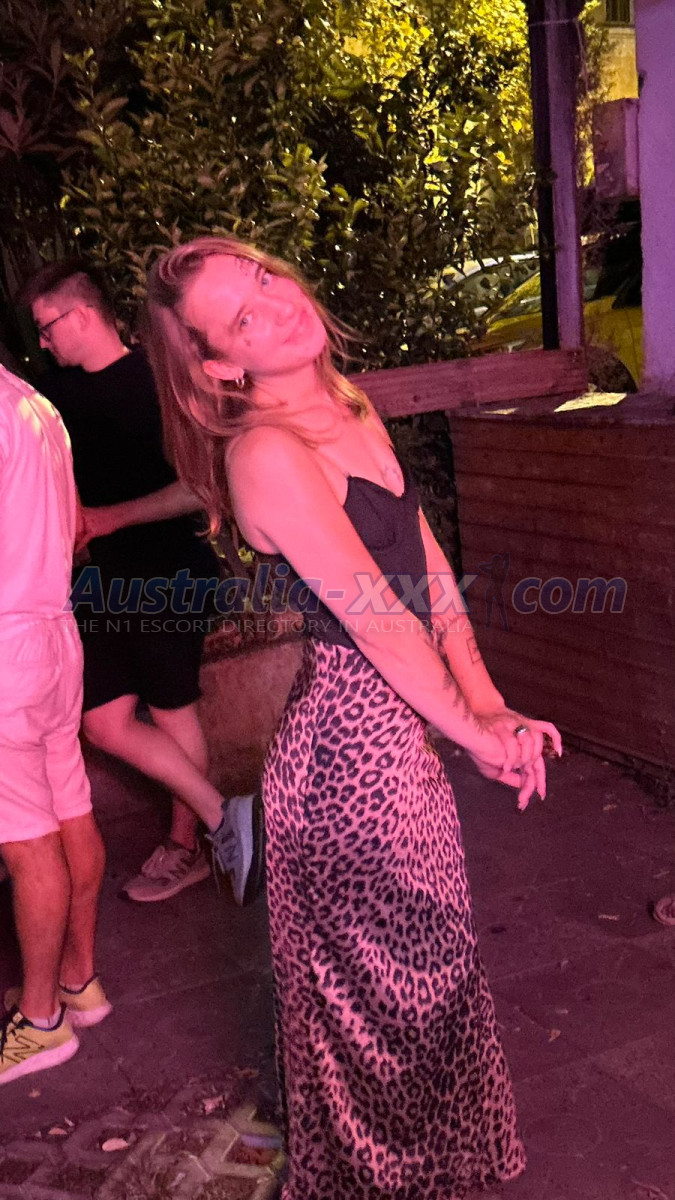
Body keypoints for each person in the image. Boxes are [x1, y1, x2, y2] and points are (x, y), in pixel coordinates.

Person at [143, 236, 563, 1199]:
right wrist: (474, 732)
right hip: (347, 759)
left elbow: (427, 568)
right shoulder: (264, 453)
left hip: (396, 738)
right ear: (221, 365)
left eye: (262, 277)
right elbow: (377, 620)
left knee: (430, 973)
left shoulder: (347, 403)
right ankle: (382, 1179)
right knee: (392, 999)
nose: (275, 303)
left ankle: (432, 1168)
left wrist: (485, 701)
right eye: (241, 317)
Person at [18, 261, 263, 906]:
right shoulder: (52, 396)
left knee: (172, 707)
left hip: (169, 571)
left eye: (47, 327)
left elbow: (201, 487)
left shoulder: (158, 384)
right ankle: (225, 818)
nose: (42, 341)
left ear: (82, 315)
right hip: (100, 581)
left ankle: (187, 847)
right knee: (101, 721)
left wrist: (107, 518)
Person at [0, 363, 110, 1085]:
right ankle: (79, 982)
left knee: (25, 840)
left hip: (5, 646)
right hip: (54, 634)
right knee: (69, 806)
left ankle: (40, 1022)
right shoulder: (33, 403)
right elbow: (73, 531)